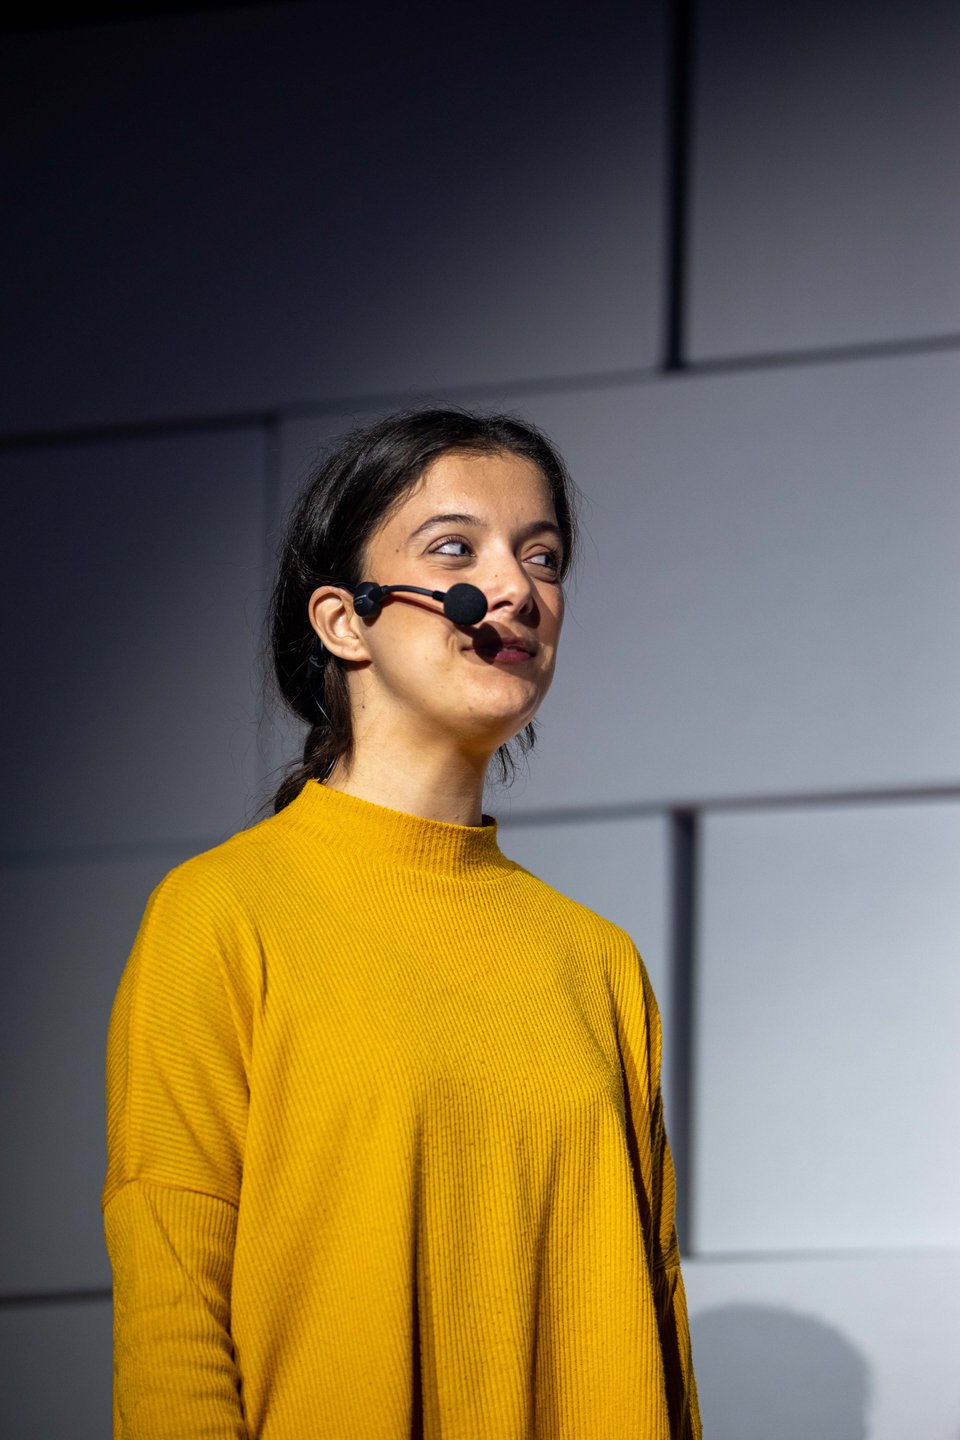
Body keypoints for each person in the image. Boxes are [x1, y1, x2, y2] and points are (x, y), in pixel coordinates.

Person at [102, 407, 701, 1439]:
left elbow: (657, 1333)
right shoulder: (223, 915)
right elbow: (173, 1310)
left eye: (543, 557)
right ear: (344, 621)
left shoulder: (598, 962)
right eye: (456, 549)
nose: (517, 589)